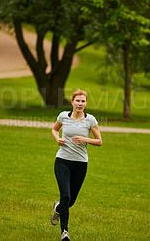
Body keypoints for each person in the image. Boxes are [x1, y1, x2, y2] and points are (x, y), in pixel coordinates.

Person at [51, 89, 102, 241]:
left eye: (83, 101)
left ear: (86, 103)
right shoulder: (63, 116)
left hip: (80, 164)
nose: (80, 104)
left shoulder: (90, 120)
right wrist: (57, 138)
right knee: (65, 195)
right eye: (77, 101)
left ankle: (58, 208)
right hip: (62, 161)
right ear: (72, 102)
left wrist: (85, 139)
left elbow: (99, 141)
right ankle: (64, 232)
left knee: (70, 201)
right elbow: (54, 129)